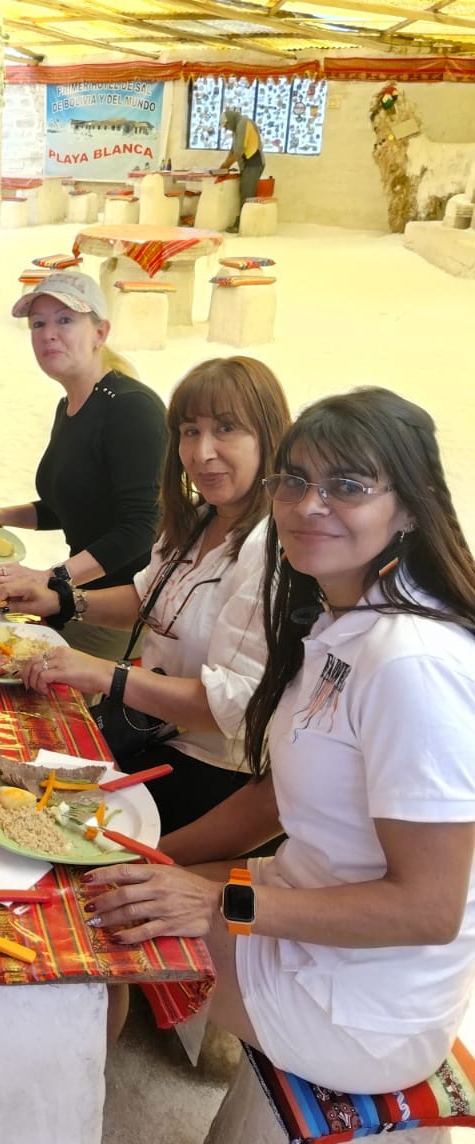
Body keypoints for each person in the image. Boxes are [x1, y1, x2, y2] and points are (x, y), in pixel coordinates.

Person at [86, 387, 475, 1094]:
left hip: (363, 1004)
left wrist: (214, 903)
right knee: (101, 887)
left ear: (411, 507)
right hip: (303, 904)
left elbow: (428, 909)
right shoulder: (340, 620)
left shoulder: (413, 664)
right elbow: (274, 796)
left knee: (91, 939)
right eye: (294, 481)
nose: (308, 505)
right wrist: (154, 859)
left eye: (347, 486)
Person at [22, 358, 291, 832]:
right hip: (149, 731)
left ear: (268, 436)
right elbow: (148, 601)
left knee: (52, 826)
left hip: (217, 769)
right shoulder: (198, 518)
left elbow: (232, 706)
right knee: (21, 765)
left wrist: (107, 674)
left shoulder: (271, 550)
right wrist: (64, 600)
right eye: (189, 431)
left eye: (226, 429)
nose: (202, 452)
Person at [0, 270, 166, 660]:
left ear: (100, 333)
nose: (48, 333)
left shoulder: (131, 408)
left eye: (65, 320)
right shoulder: (71, 405)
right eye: (38, 323)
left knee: (12, 664)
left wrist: (53, 578)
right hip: (79, 594)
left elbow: (141, 527)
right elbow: (71, 505)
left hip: (121, 608)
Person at [216, 107, 264, 231]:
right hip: (248, 164)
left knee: (247, 194)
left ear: (231, 120)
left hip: (254, 163)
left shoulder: (243, 123)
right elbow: (232, 150)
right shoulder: (237, 127)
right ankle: (246, 223)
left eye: (226, 125)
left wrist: (226, 166)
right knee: (245, 192)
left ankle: (242, 225)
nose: (226, 128)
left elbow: (238, 151)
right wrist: (224, 164)